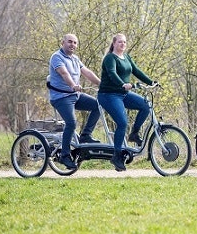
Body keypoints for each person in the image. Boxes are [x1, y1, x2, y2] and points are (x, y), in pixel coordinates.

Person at [97, 33, 155, 171]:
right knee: (122, 122)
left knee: (145, 105)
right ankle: (116, 156)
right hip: (108, 95)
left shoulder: (127, 57)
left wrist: (151, 82)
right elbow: (112, 73)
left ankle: (134, 134)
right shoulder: (110, 58)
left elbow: (136, 71)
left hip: (123, 94)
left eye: (124, 42)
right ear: (114, 44)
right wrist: (123, 83)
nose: (122, 44)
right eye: (120, 42)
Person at [49, 33, 101, 170]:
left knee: (98, 105)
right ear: (63, 43)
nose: (72, 45)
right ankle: (65, 155)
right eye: (70, 42)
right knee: (71, 123)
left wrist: (101, 84)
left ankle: (86, 135)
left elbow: (87, 72)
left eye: (75, 43)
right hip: (61, 97)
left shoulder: (75, 59)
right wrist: (73, 85)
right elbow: (64, 73)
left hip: (75, 96)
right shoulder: (56, 57)